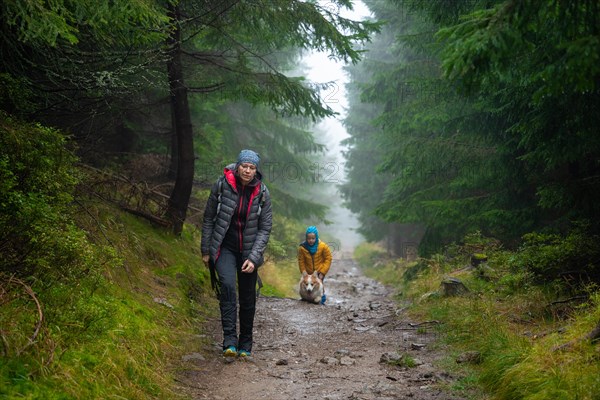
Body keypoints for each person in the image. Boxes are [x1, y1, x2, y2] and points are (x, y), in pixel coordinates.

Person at [201, 149, 272, 358]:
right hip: (225, 248)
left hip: (250, 251)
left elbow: (265, 228)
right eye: (244, 166)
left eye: (252, 168)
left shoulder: (262, 193)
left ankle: (245, 345)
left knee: (248, 297)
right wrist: (206, 250)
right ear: (237, 166)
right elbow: (208, 218)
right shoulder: (222, 185)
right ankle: (229, 342)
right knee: (228, 287)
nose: (247, 171)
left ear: (256, 170)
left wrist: (254, 257)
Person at [297, 226, 332, 304]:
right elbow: (301, 260)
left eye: (313, 238)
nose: (311, 240)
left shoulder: (323, 246)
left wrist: (323, 272)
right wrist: (303, 271)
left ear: (316, 237)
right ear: (306, 238)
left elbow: (328, 258)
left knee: (320, 285)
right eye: (309, 238)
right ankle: (307, 298)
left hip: (319, 271)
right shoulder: (302, 248)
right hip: (308, 271)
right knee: (307, 285)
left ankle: (321, 299)